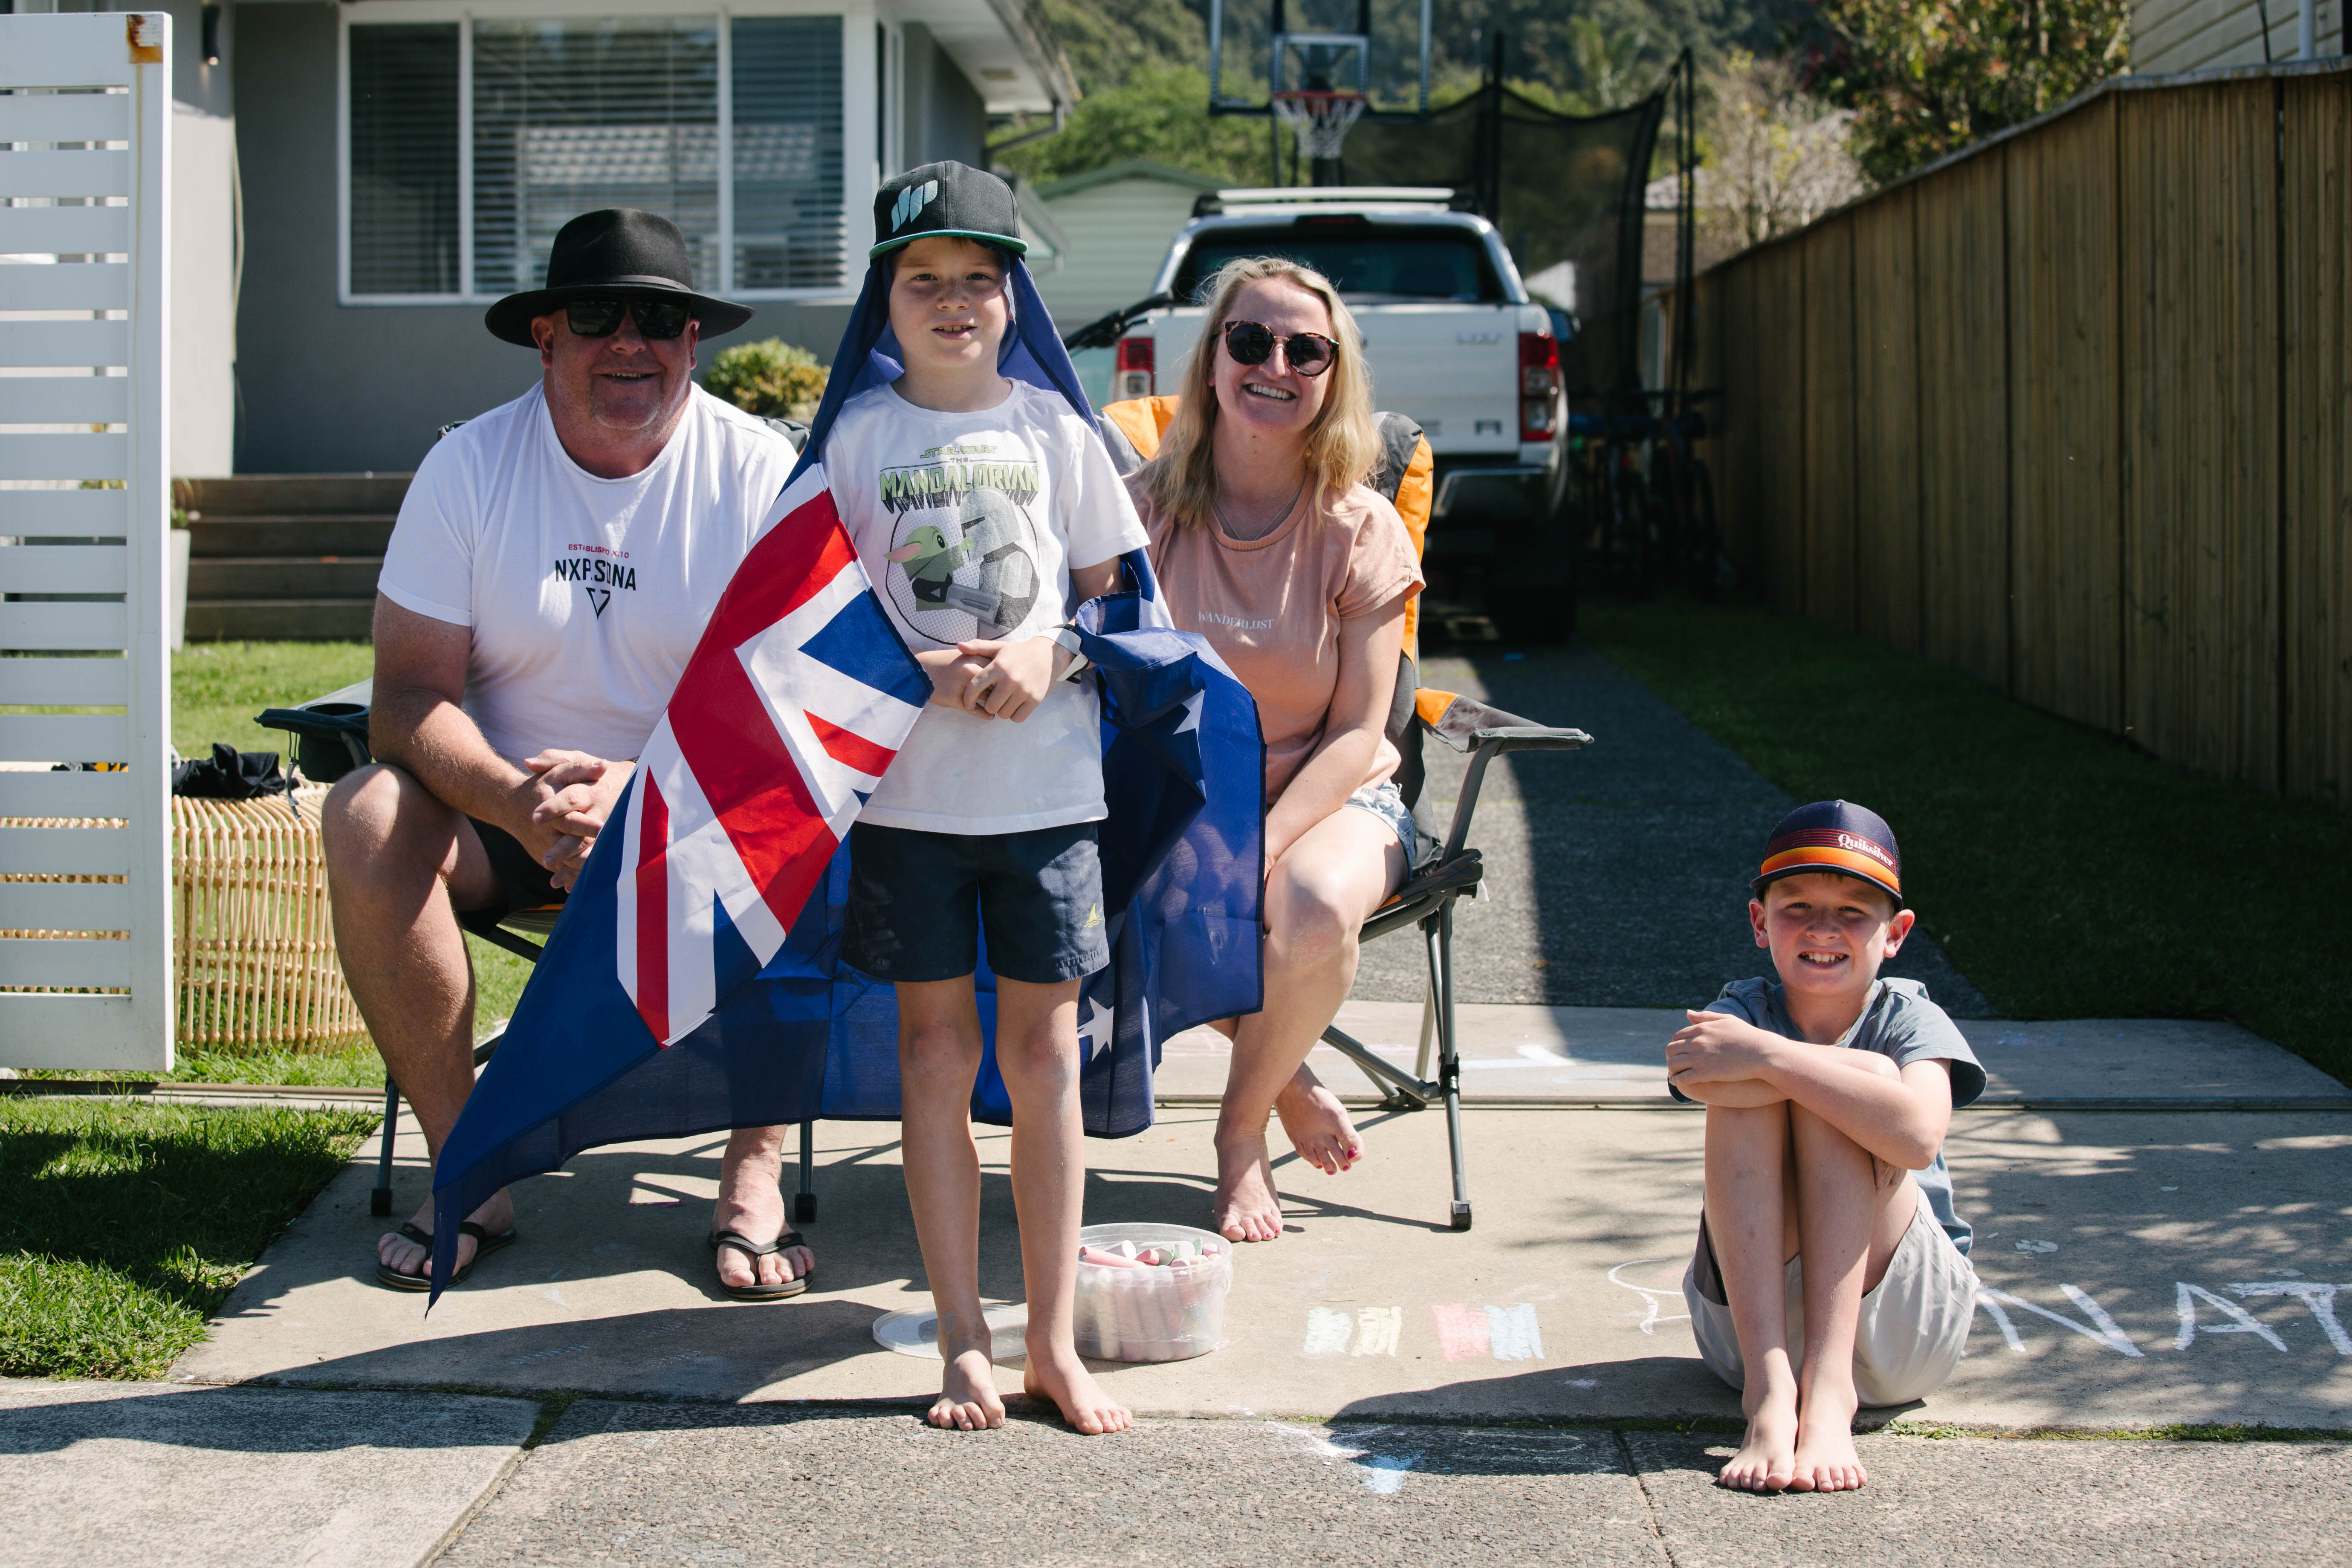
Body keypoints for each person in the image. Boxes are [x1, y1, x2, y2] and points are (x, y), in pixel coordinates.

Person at [324, 208, 814, 1302]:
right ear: (545, 335)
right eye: (598, 315)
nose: (630, 342)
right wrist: (514, 801)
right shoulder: (465, 468)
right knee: (364, 812)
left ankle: (752, 1170)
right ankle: (474, 1168)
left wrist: (642, 800)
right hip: (502, 820)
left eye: (662, 319)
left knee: (816, 821)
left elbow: (791, 713)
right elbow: (406, 701)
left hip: (697, 823)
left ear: (695, 343)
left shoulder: (756, 472)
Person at [828, 162, 1147, 1435]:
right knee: (931, 1054)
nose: (952, 302)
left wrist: (1048, 654)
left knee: (1043, 1057)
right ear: (885, 298)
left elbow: (1119, 604)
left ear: (1011, 298)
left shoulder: (1058, 436)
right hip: (906, 805)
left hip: (1047, 794)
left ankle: (1051, 1340)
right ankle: (962, 1336)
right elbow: (806, 619)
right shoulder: (853, 443)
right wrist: (900, 670)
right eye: (924, 282)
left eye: (978, 279)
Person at [1126, 257, 1425, 1244]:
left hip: (1334, 799)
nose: (1276, 365)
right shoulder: (1142, 511)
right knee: (1115, 886)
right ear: (1211, 360)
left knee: (1301, 907)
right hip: (1178, 796)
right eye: (1249, 341)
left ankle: (1236, 1131)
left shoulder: (1358, 526)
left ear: (1333, 376)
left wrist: (1258, 846)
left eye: (1307, 350)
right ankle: (1290, 1081)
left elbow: (1358, 732)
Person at [1663, 801, 1985, 1493]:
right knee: (1801, 1086)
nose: (1822, 929)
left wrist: (1771, 1060)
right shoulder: (1742, 1007)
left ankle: (1831, 1392)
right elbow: (1691, 1075)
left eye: (1852, 911)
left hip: (1900, 1332)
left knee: (1857, 1079)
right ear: (1759, 921)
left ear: (1894, 933)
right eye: (1797, 905)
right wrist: (1778, 1061)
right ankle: (1773, 1395)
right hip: (1747, 1344)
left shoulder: (1909, 1014)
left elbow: (1918, 1135)